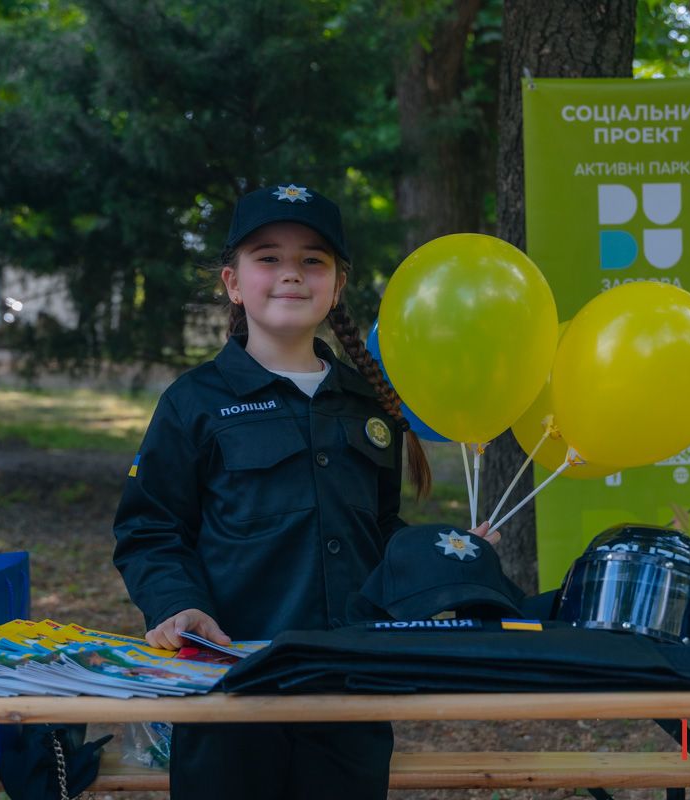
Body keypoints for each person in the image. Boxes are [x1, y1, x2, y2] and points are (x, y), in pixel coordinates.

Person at [111, 183, 499, 800]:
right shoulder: (194, 402)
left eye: (312, 260)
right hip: (230, 689)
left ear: (337, 285)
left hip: (347, 691)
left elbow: (381, 530)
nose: (291, 274)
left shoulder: (365, 402)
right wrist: (174, 604)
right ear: (234, 283)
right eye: (268, 257)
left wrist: (443, 558)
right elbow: (149, 529)